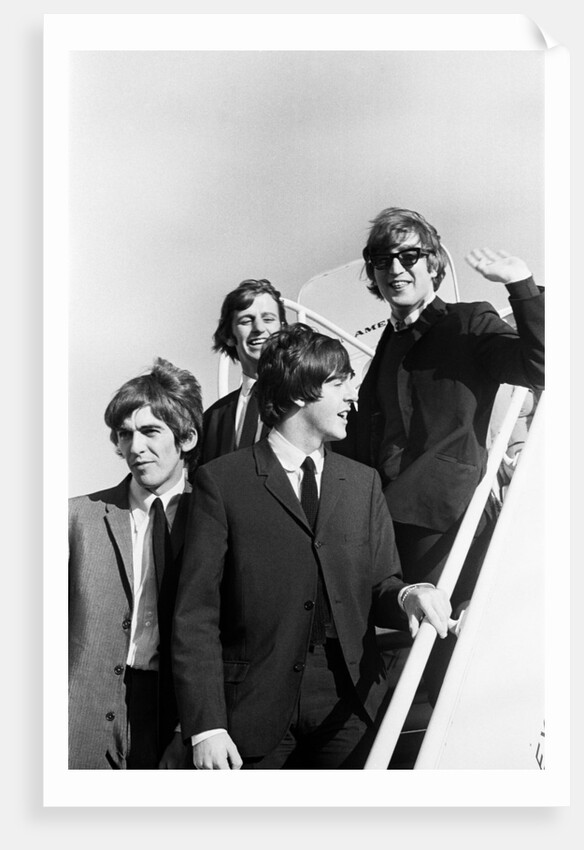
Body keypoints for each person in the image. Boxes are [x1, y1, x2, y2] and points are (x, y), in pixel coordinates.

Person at [172, 324, 452, 770]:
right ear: (301, 391)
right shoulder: (221, 482)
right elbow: (196, 614)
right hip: (251, 711)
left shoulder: (363, 484)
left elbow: (381, 584)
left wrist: (409, 594)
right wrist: (206, 726)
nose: (352, 397)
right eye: (339, 383)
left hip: (350, 707)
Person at [335, 207, 545, 701]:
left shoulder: (467, 321)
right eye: (382, 260)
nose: (395, 269)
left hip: (447, 519)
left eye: (409, 256)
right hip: (387, 521)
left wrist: (521, 286)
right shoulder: (384, 345)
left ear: (433, 264)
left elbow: (541, 364)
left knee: (447, 662)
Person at [68, 357, 204, 769]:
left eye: (150, 431)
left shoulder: (214, 520)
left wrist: (190, 728)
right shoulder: (76, 518)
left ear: (187, 437)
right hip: (81, 715)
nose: (135, 447)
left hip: (174, 714)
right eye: (125, 434)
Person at [200, 278, 287, 463]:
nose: (259, 328)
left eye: (268, 319)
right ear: (229, 336)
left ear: (283, 328)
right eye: (246, 321)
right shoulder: (211, 420)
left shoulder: (313, 400)